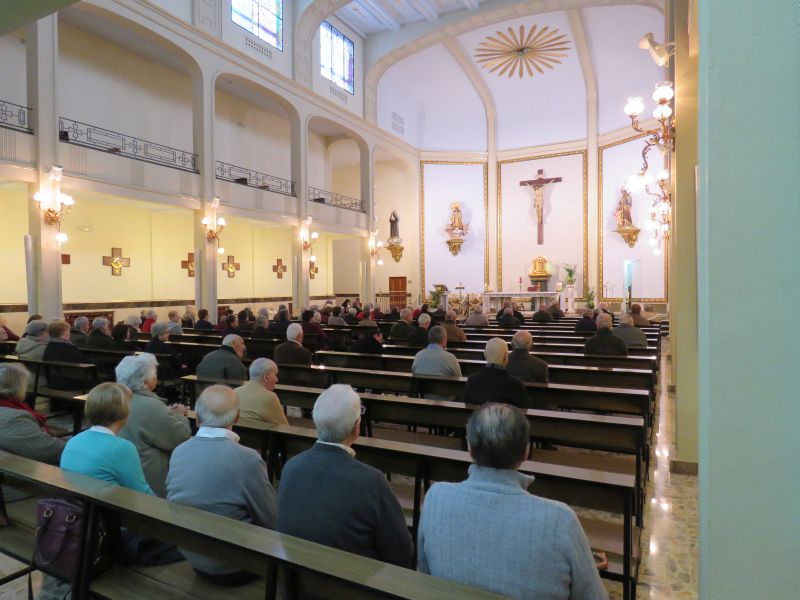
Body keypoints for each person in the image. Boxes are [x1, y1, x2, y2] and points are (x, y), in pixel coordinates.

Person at [417, 403, 607, 600]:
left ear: (470, 448)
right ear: (526, 451)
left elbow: (424, 573)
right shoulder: (561, 521)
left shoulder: (436, 498)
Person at [277, 385, 413, 567]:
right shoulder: (371, 481)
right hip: (353, 587)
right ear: (357, 428)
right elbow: (401, 552)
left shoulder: (291, 466)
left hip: (296, 579)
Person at [167, 385, 277, 585]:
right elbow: (270, 519)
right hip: (236, 565)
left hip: (192, 555)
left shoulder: (179, 451)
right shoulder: (248, 458)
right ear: (236, 417)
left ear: (198, 419)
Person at [116, 354, 190, 497]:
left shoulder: (117, 398)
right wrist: (180, 416)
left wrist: (166, 414)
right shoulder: (151, 406)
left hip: (120, 471)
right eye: (154, 375)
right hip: (146, 479)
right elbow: (179, 437)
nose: (156, 377)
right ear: (146, 382)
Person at [61, 382, 153, 494]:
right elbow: (142, 494)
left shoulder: (74, 440)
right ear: (124, 411)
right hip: (106, 508)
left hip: (76, 504)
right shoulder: (122, 448)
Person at [0, 363, 65, 499]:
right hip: (14, 486)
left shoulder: (10, 411)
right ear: (16, 388)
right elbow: (50, 450)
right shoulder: (13, 418)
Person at [463, 338, 529, 409]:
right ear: (506, 357)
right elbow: (526, 411)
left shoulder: (472, 380)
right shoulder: (515, 384)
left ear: (485, 355)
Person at [234, 358, 288, 425]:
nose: (277, 380)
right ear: (266, 376)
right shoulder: (270, 397)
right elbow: (284, 427)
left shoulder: (234, 392)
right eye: (275, 375)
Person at [42, 320, 85, 389]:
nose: (69, 333)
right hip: (69, 383)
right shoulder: (69, 348)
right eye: (67, 331)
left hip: (53, 382)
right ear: (61, 334)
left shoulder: (49, 346)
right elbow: (83, 363)